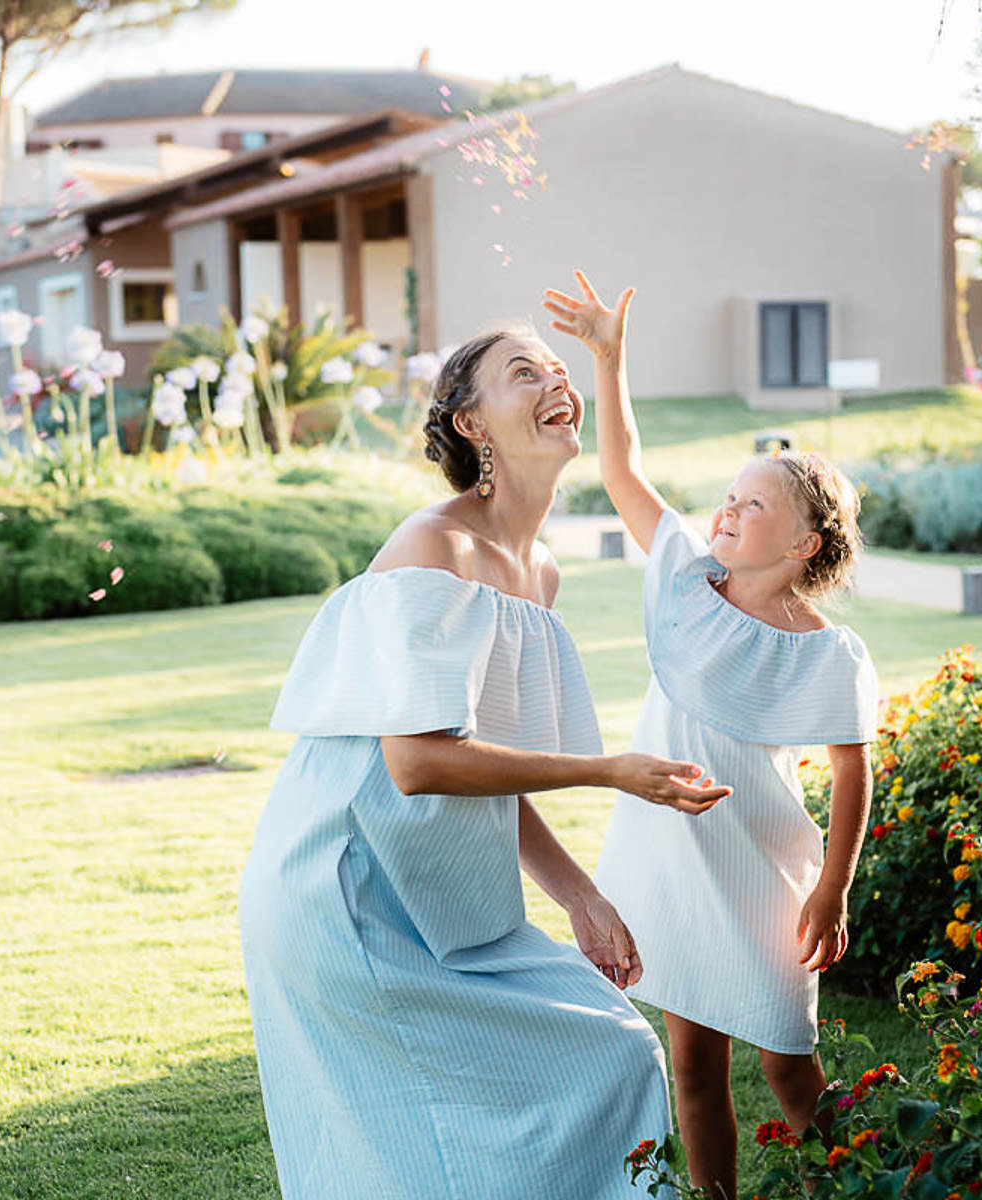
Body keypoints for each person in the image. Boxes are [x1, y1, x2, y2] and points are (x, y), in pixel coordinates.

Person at [238, 325, 732, 1200]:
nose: (556, 382)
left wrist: (579, 894)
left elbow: (478, 759)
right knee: (402, 1140)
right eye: (523, 373)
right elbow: (420, 763)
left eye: (558, 369)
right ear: (471, 424)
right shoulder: (438, 547)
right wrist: (608, 771)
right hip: (347, 883)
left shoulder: (538, 574)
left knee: (614, 1051)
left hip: (442, 884)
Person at [544, 272, 879, 1200]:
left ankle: (861, 1183)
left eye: (755, 504)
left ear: (806, 543)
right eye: (729, 496)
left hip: (765, 873)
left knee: (788, 1063)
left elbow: (851, 777)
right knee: (691, 1062)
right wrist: (608, 359)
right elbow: (623, 474)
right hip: (669, 860)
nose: (727, 510)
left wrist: (832, 889)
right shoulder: (689, 579)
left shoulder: (828, 655)